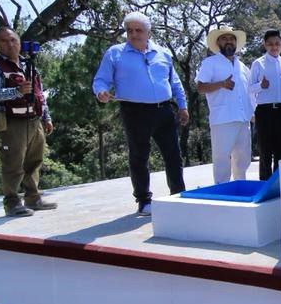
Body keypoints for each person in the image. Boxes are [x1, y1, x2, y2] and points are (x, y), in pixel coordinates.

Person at [92, 11, 189, 216]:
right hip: (134, 111)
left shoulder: (163, 53)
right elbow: (100, 79)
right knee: (139, 156)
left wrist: (182, 106)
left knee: (173, 155)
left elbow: (175, 82)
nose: (134, 34)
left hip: (164, 110)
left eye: (138, 30)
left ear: (148, 32)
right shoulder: (115, 53)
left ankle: (178, 195)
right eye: (129, 30)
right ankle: (144, 200)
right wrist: (100, 91)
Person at [0, 27, 57, 217]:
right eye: (4, 41)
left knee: (35, 160)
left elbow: (40, 93)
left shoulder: (28, 64)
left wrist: (46, 117)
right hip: (11, 121)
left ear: (19, 41)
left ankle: (33, 198)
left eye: (13, 40)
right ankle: (12, 202)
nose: (10, 44)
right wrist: (16, 91)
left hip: (34, 119)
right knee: (13, 162)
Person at [197, 27, 254, 184]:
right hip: (222, 118)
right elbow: (200, 87)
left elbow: (248, 92)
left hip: (243, 119)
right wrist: (221, 84)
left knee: (243, 158)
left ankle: (240, 186)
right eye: (224, 38)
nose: (229, 41)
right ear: (218, 43)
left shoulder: (243, 66)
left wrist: (253, 113)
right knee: (222, 158)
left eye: (232, 38)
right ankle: (222, 189)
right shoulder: (210, 63)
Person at [248, 29, 281, 180]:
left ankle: (279, 184)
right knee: (265, 151)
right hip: (265, 110)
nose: (274, 47)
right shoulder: (258, 63)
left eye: (277, 44)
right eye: (270, 44)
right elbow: (250, 88)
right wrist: (260, 85)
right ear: (265, 45)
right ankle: (264, 184)